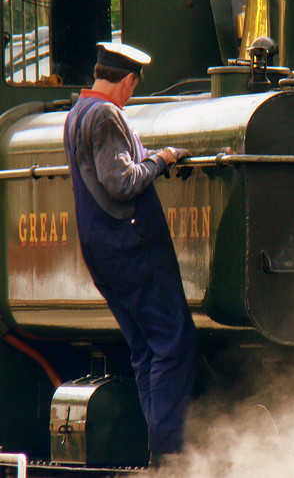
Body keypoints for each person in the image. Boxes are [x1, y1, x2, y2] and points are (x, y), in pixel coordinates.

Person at [63, 42, 196, 464]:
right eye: (133, 87)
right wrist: (162, 158)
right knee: (173, 344)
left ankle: (159, 455)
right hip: (132, 247)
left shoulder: (76, 114)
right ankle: (169, 458)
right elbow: (120, 181)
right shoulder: (105, 114)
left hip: (103, 251)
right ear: (128, 80)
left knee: (144, 351)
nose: (132, 96)